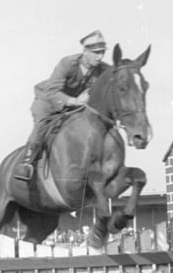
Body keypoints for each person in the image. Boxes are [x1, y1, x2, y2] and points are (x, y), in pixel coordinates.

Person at [13, 30, 110, 181]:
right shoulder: (68, 63)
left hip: (76, 106)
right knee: (42, 122)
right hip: (48, 100)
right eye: (96, 52)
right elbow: (52, 92)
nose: (100, 56)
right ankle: (27, 162)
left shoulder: (103, 69)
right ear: (85, 51)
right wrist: (76, 101)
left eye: (102, 52)